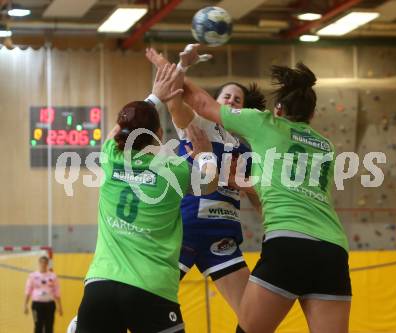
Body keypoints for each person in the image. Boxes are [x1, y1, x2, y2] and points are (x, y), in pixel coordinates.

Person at [176, 44, 352, 333]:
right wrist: (245, 184)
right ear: (312, 116)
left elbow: (201, 103)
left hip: (289, 243)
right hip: (333, 249)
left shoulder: (265, 124)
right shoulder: (327, 147)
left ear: (279, 109)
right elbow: (290, 185)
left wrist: (181, 65)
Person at [76, 63, 218, 333]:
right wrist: (205, 153)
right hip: (151, 290)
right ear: (160, 135)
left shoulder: (110, 155)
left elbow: (117, 130)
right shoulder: (173, 169)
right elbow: (209, 184)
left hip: (100, 286)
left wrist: (153, 96)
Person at [145, 48, 265, 315]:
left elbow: (259, 197)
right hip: (184, 228)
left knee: (252, 316)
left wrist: (246, 187)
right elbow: (176, 100)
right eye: (227, 97)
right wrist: (181, 65)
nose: (232, 101)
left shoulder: (248, 151)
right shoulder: (200, 125)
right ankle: (85, 323)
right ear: (216, 101)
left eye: (237, 99)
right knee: (143, 300)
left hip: (222, 236)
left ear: (243, 109)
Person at [24, 255, 62, 333]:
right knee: (38, 325)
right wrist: (25, 305)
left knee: (49, 326)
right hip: (37, 305)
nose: (43, 264)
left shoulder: (53, 276)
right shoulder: (33, 276)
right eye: (41, 263)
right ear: (39, 263)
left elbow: (57, 291)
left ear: (47, 264)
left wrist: (59, 306)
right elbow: (28, 290)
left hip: (50, 305)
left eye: (45, 263)